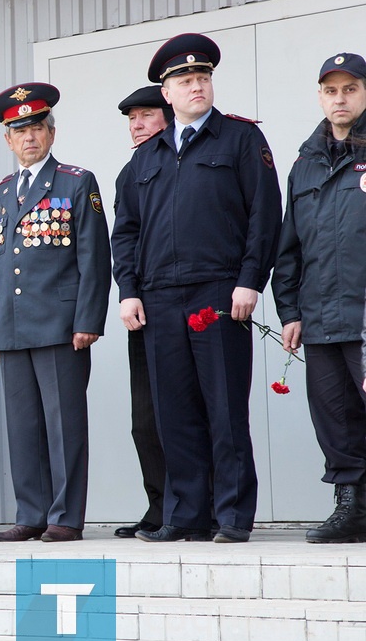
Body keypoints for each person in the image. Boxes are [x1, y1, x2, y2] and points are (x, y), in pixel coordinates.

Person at [111, 33, 282, 544]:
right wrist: (129, 291)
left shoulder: (240, 140)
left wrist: (249, 281)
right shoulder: (146, 159)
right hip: (160, 298)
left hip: (219, 293)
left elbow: (264, 217)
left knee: (225, 408)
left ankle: (231, 515)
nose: (196, 87)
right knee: (175, 412)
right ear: (166, 93)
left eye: (202, 78)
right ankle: (186, 515)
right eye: (185, 81)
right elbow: (126, 233)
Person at [0, 83, 111, 543]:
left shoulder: (76, 182)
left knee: (64, 426)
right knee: (24, 427)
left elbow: (95, 257)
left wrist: (87, 321)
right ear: (7, 139)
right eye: (19, 130)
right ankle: (31, 512)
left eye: (37, 127)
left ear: (51, 134)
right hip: (12, 327)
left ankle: (65, 517)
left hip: (60, 326)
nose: (29, 137)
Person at [272, 52, 366, 544]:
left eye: (349, 88)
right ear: (320, 97)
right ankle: (352, 508)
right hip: (321, 317)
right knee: (334, 417)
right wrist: (289, 310)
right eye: (331, 90)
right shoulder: (304, 165)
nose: (340, 98)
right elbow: (289, 247)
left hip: (363, 314)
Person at [111, 86, 173, 539]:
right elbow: (124, 242)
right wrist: (127, 291)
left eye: (146, 116)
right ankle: (160, 505)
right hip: (145, 307)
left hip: (187, 301)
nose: (136, 124)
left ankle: (198, 504)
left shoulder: (181, 163)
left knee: (185, 414)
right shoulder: (129, 173)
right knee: (145, 419)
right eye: (132, 118)